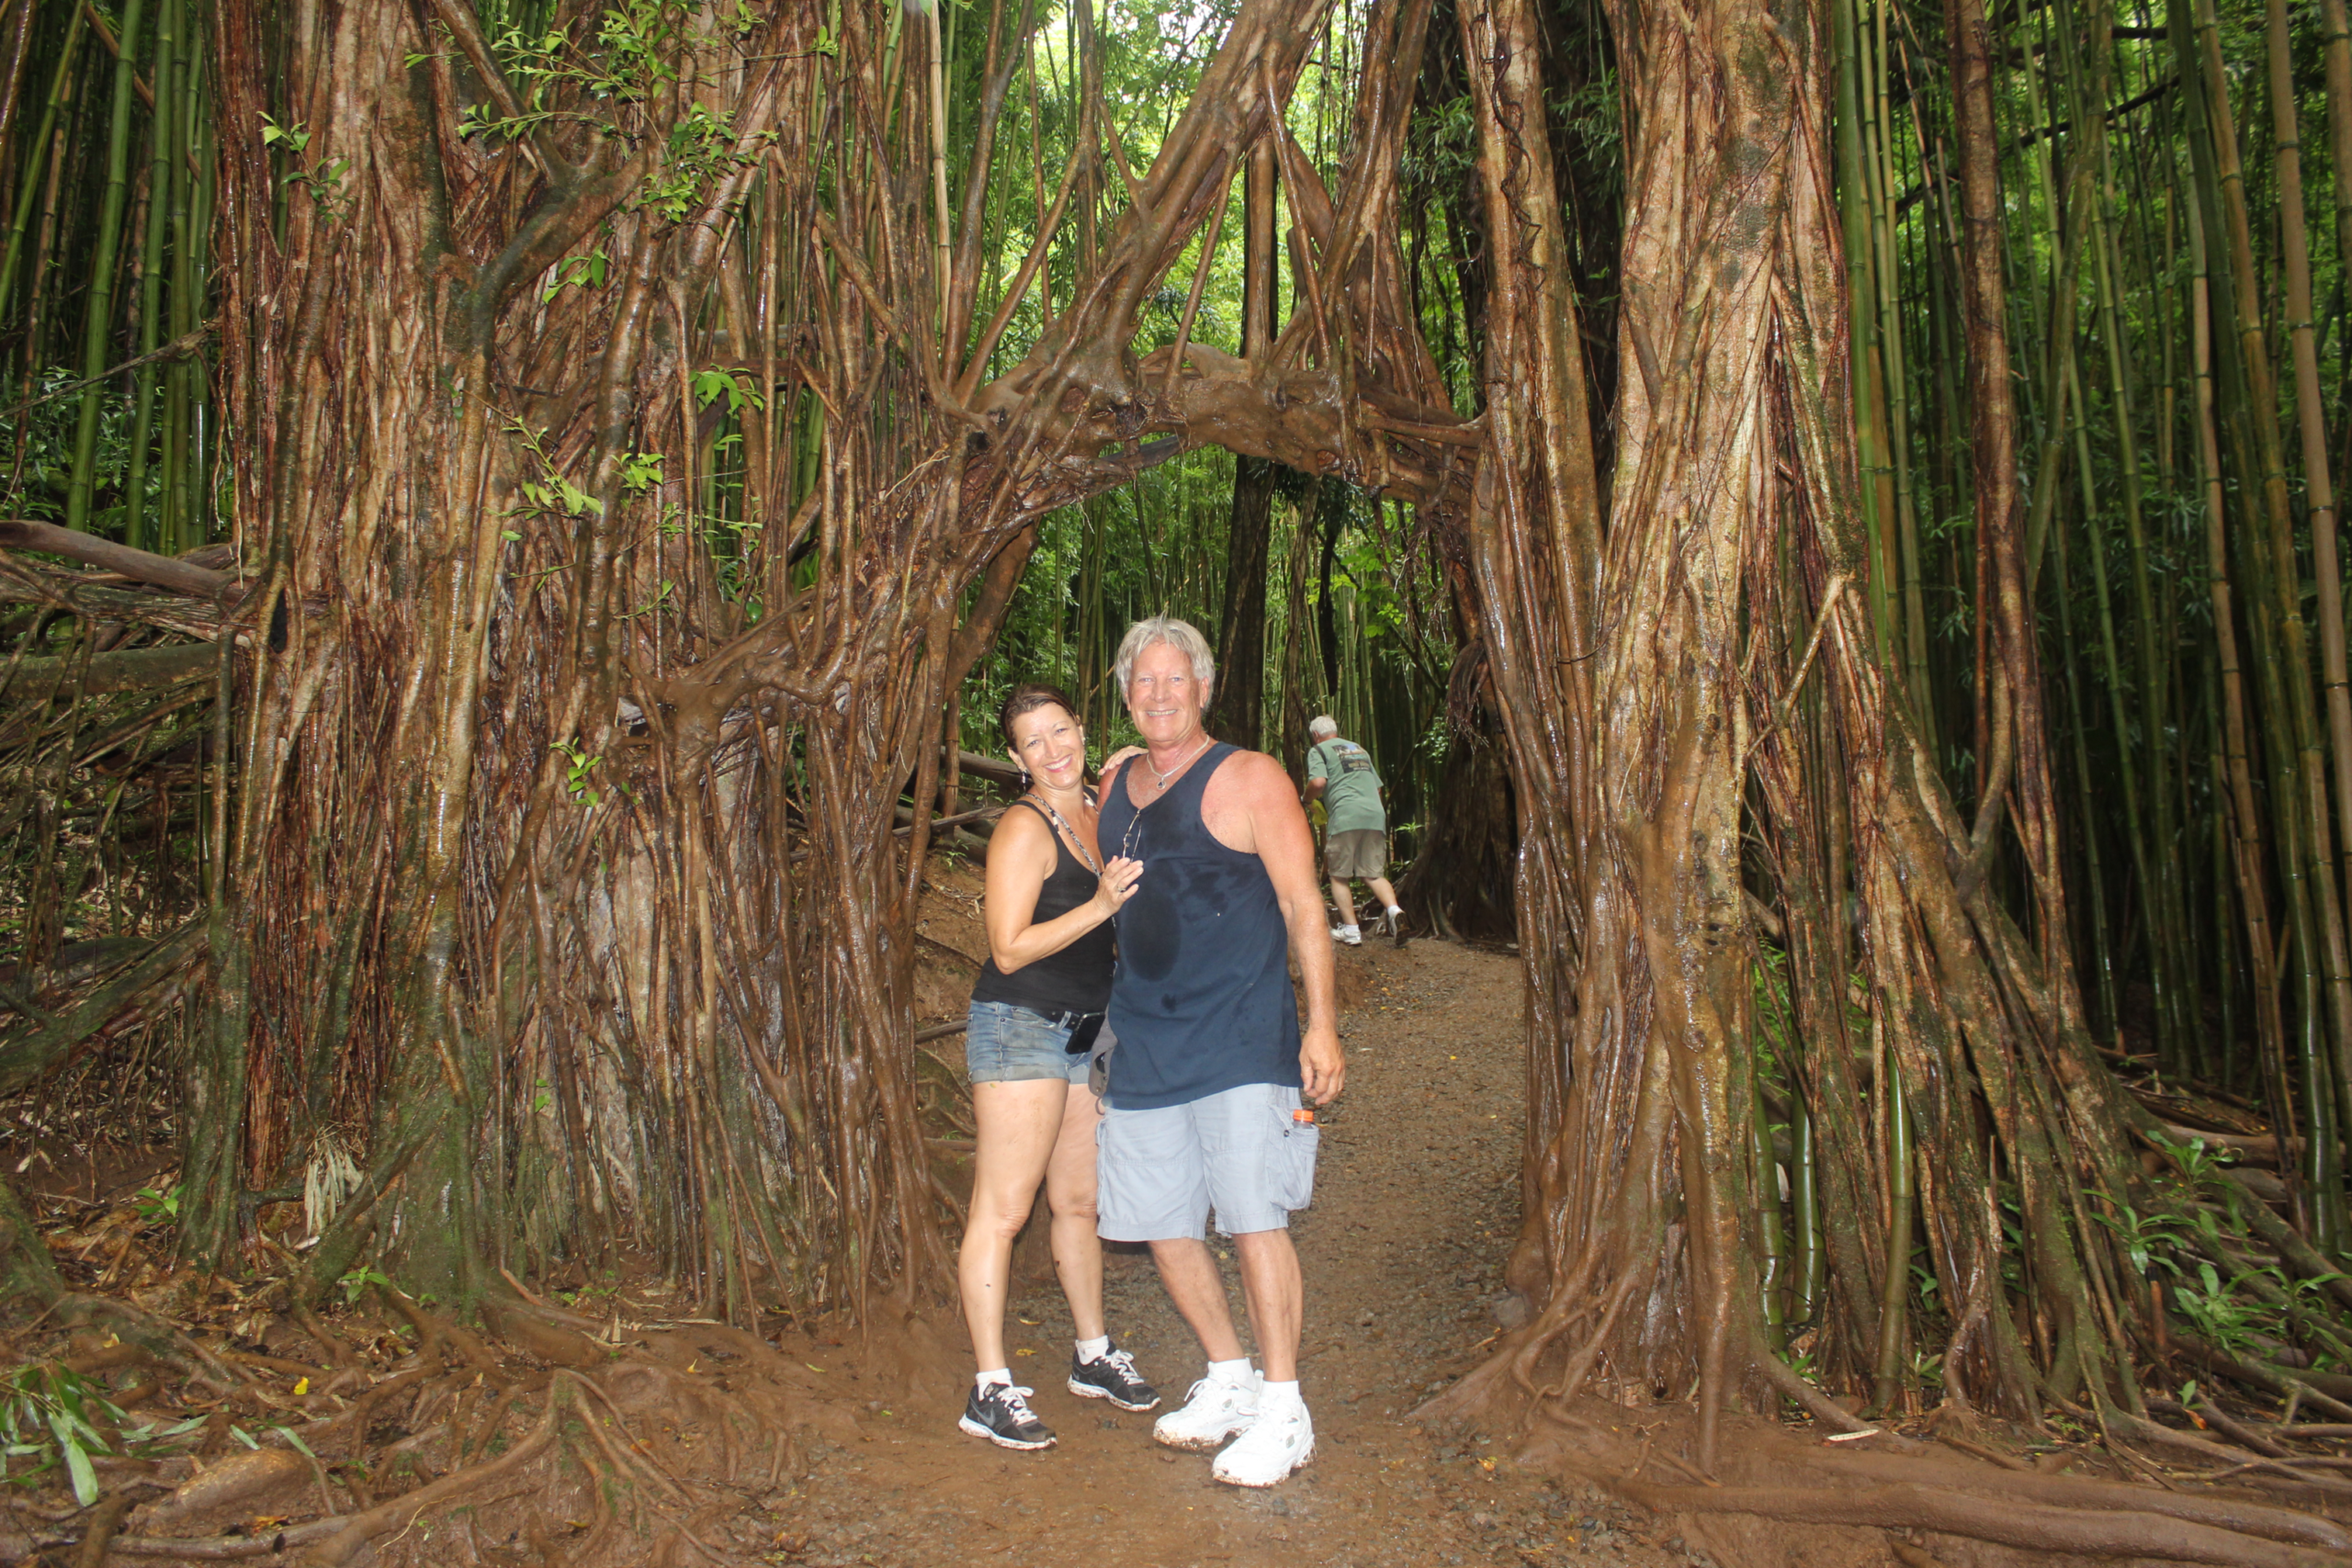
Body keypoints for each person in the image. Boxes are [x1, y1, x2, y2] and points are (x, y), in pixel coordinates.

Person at [1095, 616, 1343, 1489]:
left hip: (1242, 1037)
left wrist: (1320, 1023)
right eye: (1143, 681)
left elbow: (1304, 903)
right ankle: (1230, 1378)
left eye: (1175, 680)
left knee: (1251, 1218)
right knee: (1163, 1223)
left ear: (1203, 687)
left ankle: (1284, 1406)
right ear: (1127, 693)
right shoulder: (1115, 784)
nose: (1159, 695)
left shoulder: (1252, 777)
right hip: (1146, 1037)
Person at [956, 684, 1160, 1450]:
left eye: (1061, 730)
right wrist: (1102, 905)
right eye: (1032, 741)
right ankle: (990, 1386)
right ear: (1015, 759)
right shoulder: (1023, 826)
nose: (1052, 749)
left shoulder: (1097, 813)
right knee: (1004, 1211)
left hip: (1088, 1031)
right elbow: (1008, 945)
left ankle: (1092, 1352)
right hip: (1021, 1025)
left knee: (1078, 1203)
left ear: (1083, 731)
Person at [1304, 715, 1404, 945]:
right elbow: (1377, 788)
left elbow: (1318, 783)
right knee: (1373, 873)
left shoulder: (1318, 750)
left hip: (1346, 816)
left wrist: (1306, 799)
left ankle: (1351, 930)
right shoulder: (1359, 749)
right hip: (1374, 815)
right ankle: (1394, 911)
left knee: (1339, 876)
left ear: (1316, 736)